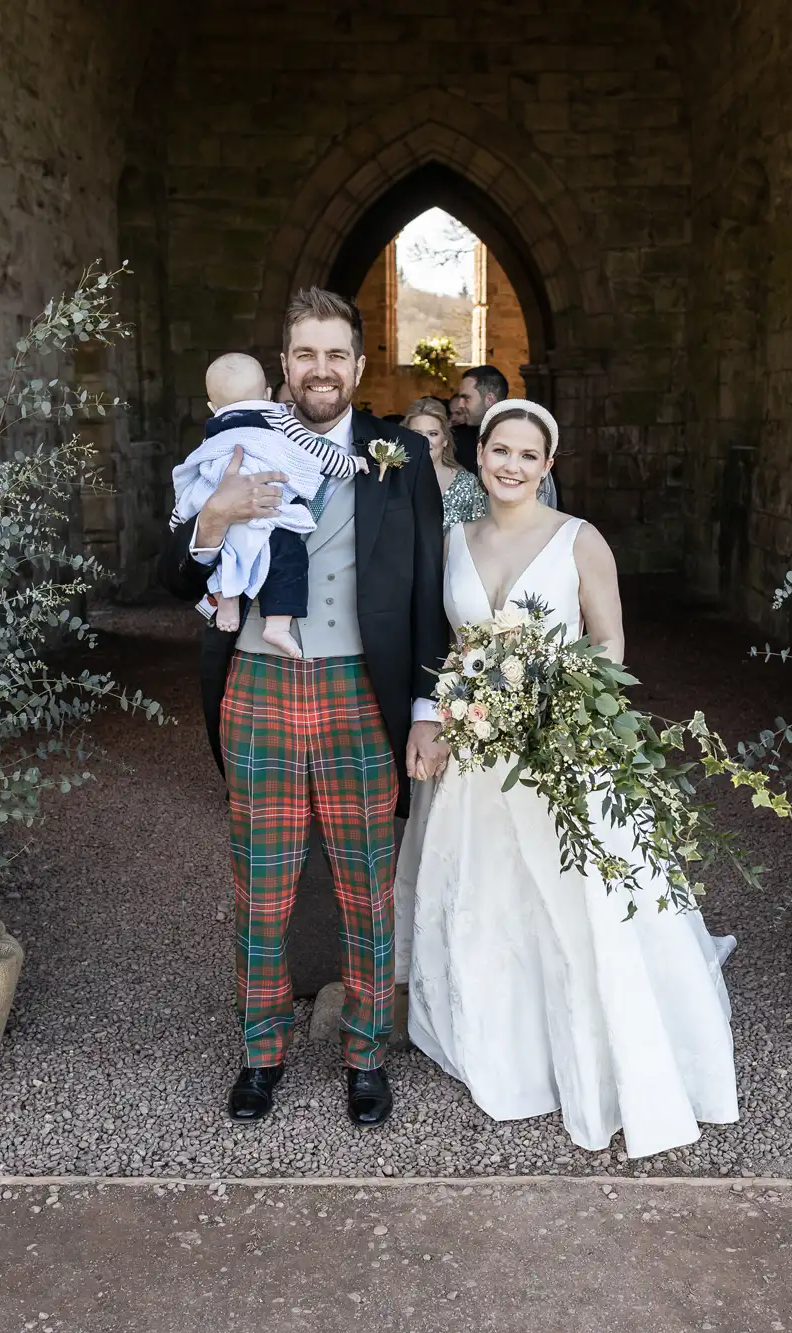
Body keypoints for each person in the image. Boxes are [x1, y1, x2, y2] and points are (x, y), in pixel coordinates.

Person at [398, 399, 740, 1159]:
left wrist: (561, 705)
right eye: (500, 450)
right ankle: (505, 1047)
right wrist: (456, 710)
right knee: (489, 900)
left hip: (561, 751)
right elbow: (451, 650)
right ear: (478, 453)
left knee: (574, 907)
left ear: (548, 467)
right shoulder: (453, 539)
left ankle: (592, 1048)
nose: (512, 465)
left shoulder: (580, 540)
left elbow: (610, 641)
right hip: (479, 758)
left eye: (529, 455)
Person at [158, 288, 449, 1128]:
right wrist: (213, 517)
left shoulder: (397, 454)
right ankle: (261, 1050)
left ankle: (366, 1053)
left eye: (336, 355)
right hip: (257, 682)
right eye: (305, 355)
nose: (321, 370)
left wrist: (426, 704)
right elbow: (175, 571)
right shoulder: (231, 443)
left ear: (358, 366)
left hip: (363, 685)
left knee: (367, 882)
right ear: (284, 367)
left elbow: (427, 582)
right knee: (263, 881)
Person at [170, 352, 366, 657]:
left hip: (221, 508)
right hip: (268, 516)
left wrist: (178, 522)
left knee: (228, 555)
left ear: (212, 406)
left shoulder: (212, 434)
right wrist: (350, 465)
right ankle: (277, 625)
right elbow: (315, 452)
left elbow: (192, 480)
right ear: (266, 395)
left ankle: (225, 600)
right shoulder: (276, 417)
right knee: (289, 558)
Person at [450, 364, 558, 509]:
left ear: (489, 399)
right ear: (480, 452)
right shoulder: (457, 438)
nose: (460, 405)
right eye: (500, 450)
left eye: (466, 398)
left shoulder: (530, 436)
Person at [404, 394, 486, 528]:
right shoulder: (393, 479)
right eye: (416, 434)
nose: (424, 441)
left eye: (433, 434)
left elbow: (480, 535)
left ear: (445, 440)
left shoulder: (467, 484)